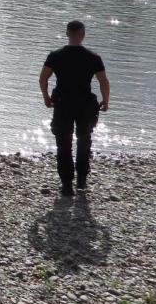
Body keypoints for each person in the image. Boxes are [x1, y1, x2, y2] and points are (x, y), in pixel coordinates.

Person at [39, 20, 110, 196]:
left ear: (67, 34)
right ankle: (82, 180)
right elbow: (103, 81)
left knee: (63, 143)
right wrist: (105, 100)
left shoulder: (55, 55)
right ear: (83, 35)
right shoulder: (93, 57)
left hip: (63, 103)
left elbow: (43, 79)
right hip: (86, 104)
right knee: (84, 140)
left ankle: (66, 184)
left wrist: (46, 97)